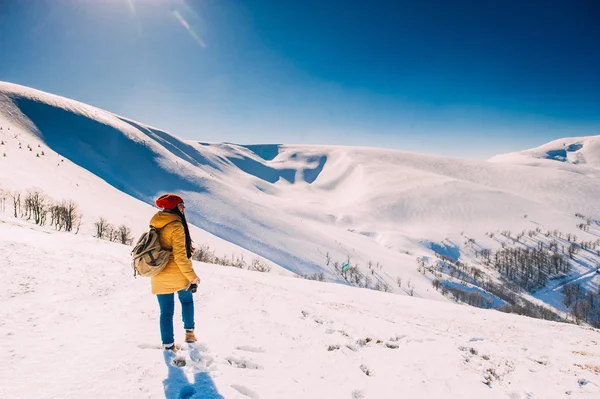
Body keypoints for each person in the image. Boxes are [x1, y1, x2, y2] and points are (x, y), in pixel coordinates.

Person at [151, 193, 201, 352]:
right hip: (178, 274)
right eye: (181, 205)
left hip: (158, 272)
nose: (184, 208)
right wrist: (192, 277)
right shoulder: (176, 225)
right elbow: (180, 257)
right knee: (187, 302)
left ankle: (168, 345)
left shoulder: (156, 222)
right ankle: (189, 334)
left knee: (165, 312)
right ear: (174, 207)